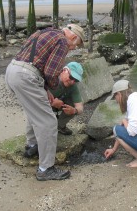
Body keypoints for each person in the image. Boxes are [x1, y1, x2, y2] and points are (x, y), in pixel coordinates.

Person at [5, 24, 85, 181]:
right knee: (48, 121)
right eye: (74, 46)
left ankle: (32, 146)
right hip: (26, 76)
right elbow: (50, 72)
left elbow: (32, 59)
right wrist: (51, 88)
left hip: (12, 71)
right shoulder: (62, 41)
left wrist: (45, 90)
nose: (72, 49)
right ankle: (46, 168)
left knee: (34, 112)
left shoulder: (44, 32)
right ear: (74, 37)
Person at [50, 62, 84, 135]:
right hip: (42, 104)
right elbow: (34, 95)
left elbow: (80, 107)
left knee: (73, 106)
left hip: (59, 105)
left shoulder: (73, 87)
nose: (72, 81)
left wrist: (74, 110)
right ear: (64, 70)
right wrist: (51, 102)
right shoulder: (51, 77)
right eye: (71, 77)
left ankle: (60, 126)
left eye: (76, 80)